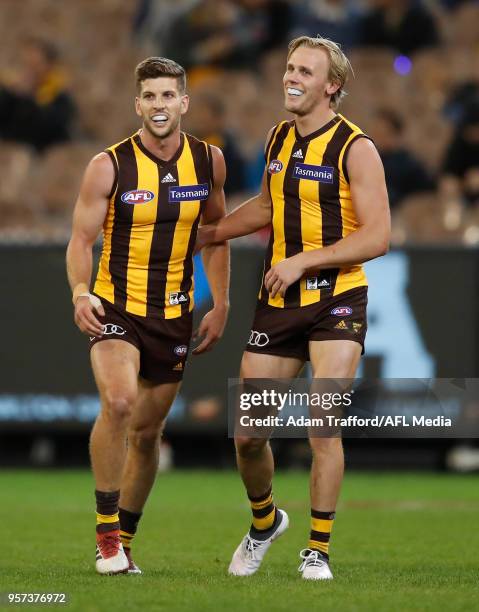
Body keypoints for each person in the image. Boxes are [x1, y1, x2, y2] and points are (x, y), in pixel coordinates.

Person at [197, 36, 390, 580]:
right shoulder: (280, 136)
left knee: (322, 426)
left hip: (336, 300)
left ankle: (318, 550)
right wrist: (207, 233)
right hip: (278, 302)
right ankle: (265, 522)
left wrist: (306, 260)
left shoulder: (357, 148)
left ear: (332, 86)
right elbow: (266, 204)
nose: (292, 77)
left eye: (305, 70)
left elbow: (378, 236)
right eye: (289, 67)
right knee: (248, 435)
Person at [66, 57, 229, 575]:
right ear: (138, 105)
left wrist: (220, 302)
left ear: (184, 102)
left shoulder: (209, 162)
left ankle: (126, 541)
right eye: (150, 97)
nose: (159, 106)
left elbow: (217, 234)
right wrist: (79, 292)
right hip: (117, 307)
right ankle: (107, 539)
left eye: (168, 96)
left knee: (147, 432)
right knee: (118, 403)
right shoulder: (108, 165)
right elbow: (81, 240)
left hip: (176, 315)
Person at [0, 37, 76, 152]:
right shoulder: (10, 94)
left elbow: (51, 129)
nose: (30, 70)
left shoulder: (60, 96)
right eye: (26, 64)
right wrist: (12, 94)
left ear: (50, 66)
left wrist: (27, 98)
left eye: (36, 64)